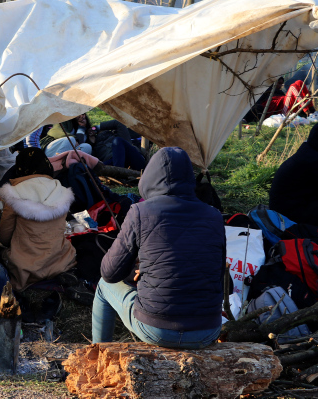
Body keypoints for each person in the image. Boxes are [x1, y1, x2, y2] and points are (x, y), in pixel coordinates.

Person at [92, 147, 225, 348]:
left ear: (150, 177)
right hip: (208, 330)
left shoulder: (139, 211)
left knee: (103, 285)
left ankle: (97, 357)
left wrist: (140, 271)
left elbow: (109, 273)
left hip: (158, 329)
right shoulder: (214, 215)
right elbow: (214, 269)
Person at [0, 148, 76, 291]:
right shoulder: (62, 191)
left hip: (25, 267)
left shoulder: (14, 193)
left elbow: (4, 237)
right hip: (59, 260)